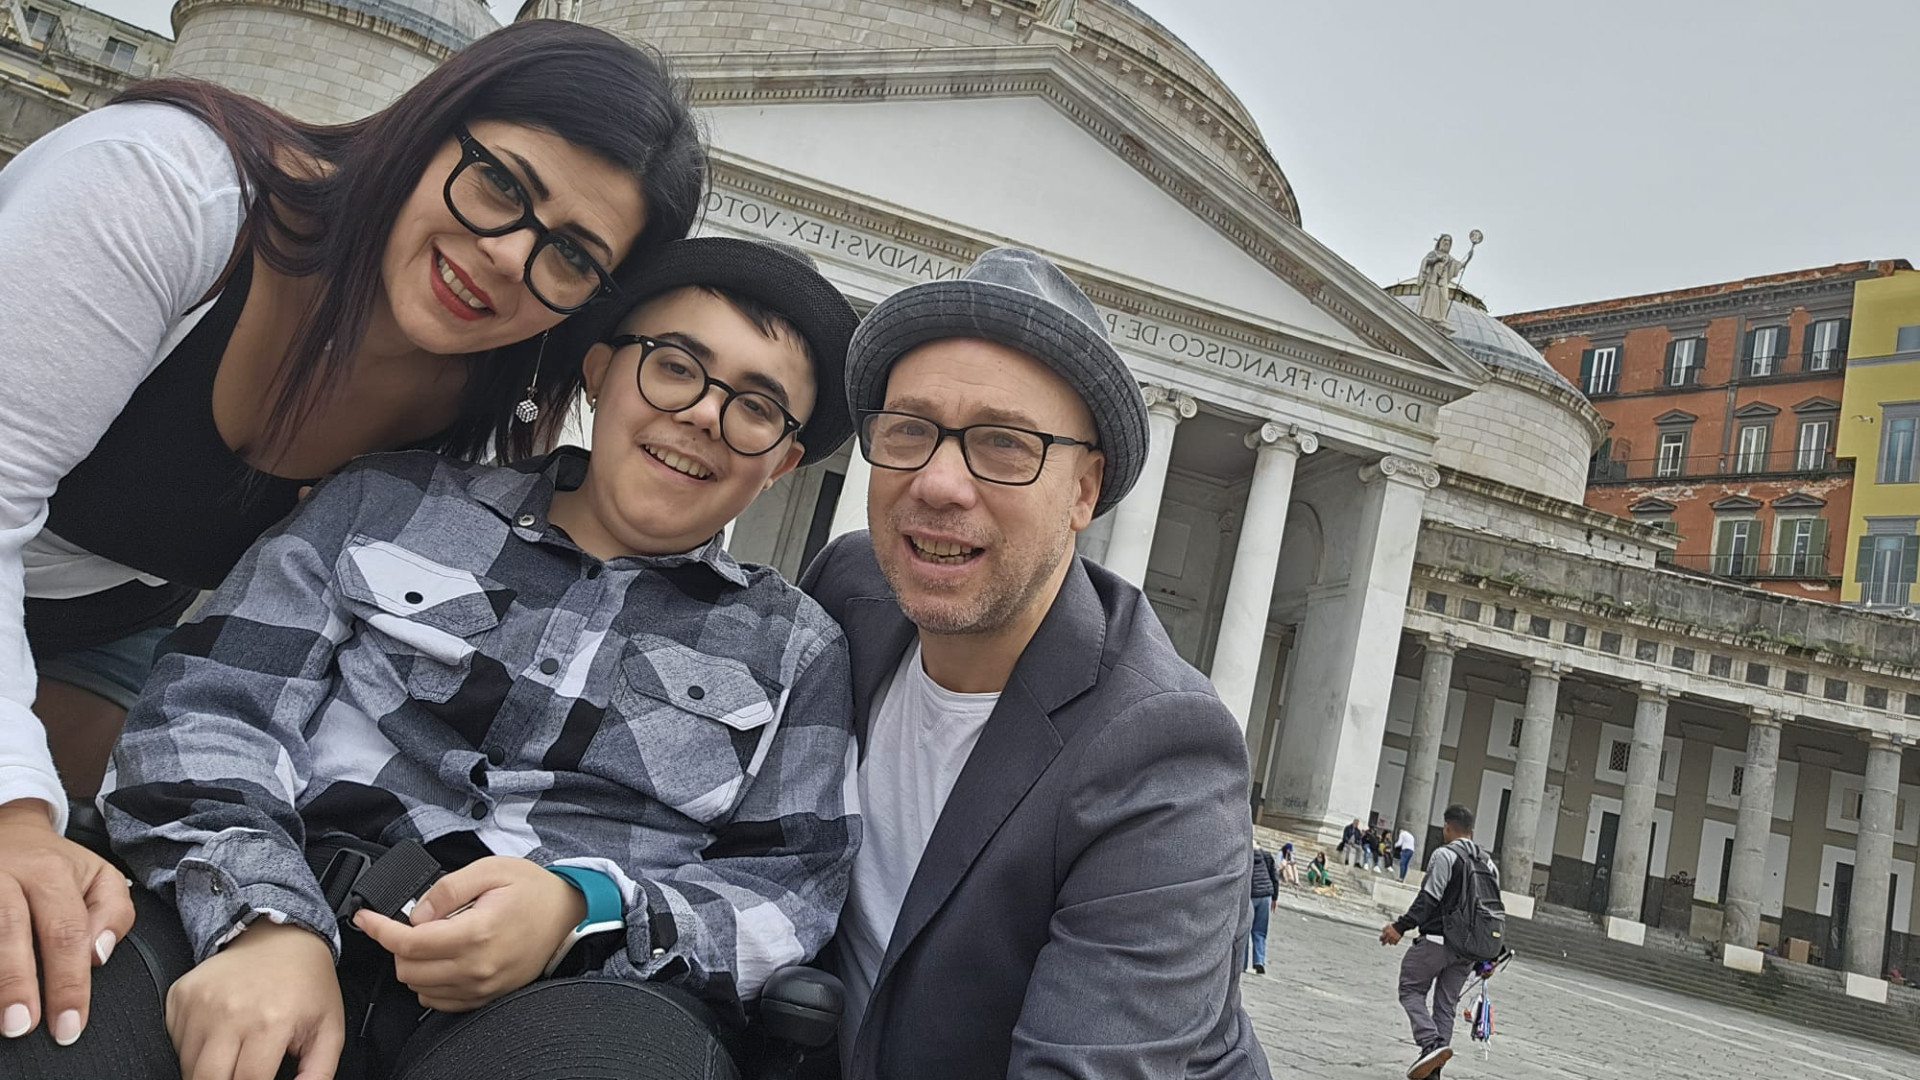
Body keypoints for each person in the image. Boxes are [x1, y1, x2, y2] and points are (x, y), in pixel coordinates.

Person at [0, 19, 706, 1049]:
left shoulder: (474, 394)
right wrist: (17, 813)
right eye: (501, 186)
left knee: (95, 909)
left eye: (568, 257)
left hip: (107, 629)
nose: (507, 257)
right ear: (430, 125)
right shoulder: (168, 189)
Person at [6, 237, 863, 1079]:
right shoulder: (386, 499)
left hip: (569, 1006)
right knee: (53, 1006)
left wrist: (588, 907)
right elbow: (206, 710)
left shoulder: (798, 647)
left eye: (755, 406)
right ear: (600, 373)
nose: (706, 414)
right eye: (676, 365)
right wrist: (266, 918)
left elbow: (792, 887)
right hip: (259, 903)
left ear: (781, 462)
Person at [800, 247, 1269, 1078]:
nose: (940, 483)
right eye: (910, 430)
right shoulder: (851, 590)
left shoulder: (1166, 752)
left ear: (1084, 492)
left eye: (1004, 445)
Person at [1379, 804, 1498, 1080]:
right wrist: (1489, 955)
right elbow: (1491, 913)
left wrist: (1400, 926)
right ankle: (1434, 1073)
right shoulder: (1488, 864)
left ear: (1446, 827)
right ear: (1472, 831)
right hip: (1467, 950)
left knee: (1410, 988)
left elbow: (1429, 899)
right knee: (1446, 1006)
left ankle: (1431, 1043)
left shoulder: (1445, 855)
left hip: (1436, 941)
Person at [1247, 844, 1277, 976]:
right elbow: (1274, 877)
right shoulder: (1266, 856)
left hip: (1251, 896)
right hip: (1265, 895)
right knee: (1260, 931)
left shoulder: (1245, 856)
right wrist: (1275, 897)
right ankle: (1259, 961)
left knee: (1244, 931)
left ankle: (1241, 963)